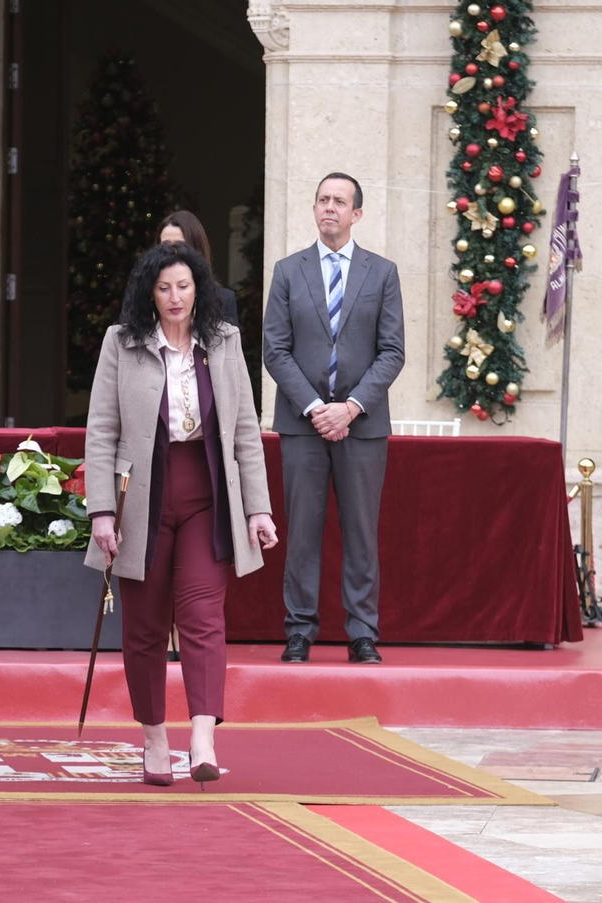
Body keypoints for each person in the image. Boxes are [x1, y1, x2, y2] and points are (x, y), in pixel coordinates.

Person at [83, 241, 277, 788]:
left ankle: (202, 736)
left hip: (207, 492)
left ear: (200, 291)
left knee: (202, 616)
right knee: (144, 626)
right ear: (150, 291)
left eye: (184, 286)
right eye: (164, 287)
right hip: (141, 494)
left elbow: (245, 431)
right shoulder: (121, 343)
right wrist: (102, 512)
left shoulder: (224, 341)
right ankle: (152, 737)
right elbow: (100, 430)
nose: (174, 297)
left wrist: (257, 509)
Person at [263, 173, 405, 665]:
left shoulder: (382, 273)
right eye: (322, 200)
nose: (329, 208)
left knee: (361, 531)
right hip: (303, 424)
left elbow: (392, 352)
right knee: (302, 530)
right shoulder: (287, 271)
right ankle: (299, 631)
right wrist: (316, 408)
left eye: (339, 202)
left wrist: (350, 406)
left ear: (356, 214)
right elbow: (275, 350)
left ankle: (362, 633)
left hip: (362, 425)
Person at [158, 210, 239, 326]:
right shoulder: (142, 298)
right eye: (165, 246)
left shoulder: (223, 300)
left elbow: (231, 342)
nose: (172, 252)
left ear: (196, 249)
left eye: (180, 246)